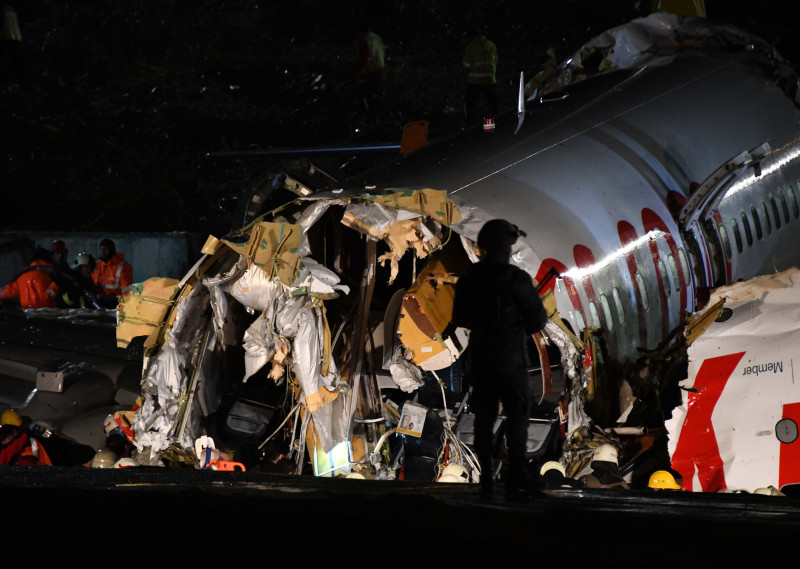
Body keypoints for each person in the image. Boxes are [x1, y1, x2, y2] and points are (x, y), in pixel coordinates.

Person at [449, 219, 549, 499]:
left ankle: (486, 480)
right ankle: (517, 471)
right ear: (505, 244)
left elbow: (460, 317)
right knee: (518, 412)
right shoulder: (516, 279)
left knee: (484, 416)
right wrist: (514, 327)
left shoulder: (470, 277)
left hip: (482, 359)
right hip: (511, 359)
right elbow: (538, 319)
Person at [462, 27, 498, 128]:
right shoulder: (491, 45)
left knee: (469, 102)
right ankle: (494, 123)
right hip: (490, 80)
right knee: (492, 103)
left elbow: (466, 65)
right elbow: (496, 61)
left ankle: (469, 124)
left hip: (475, 81)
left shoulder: (471, 46)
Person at [91, 238, 133, 306]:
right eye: (101, 249)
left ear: (111, 250)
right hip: (100, 301)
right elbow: (94, 283)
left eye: (105, 249)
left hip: (116, 302)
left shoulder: (123, 266)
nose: (102, 252)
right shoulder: (99, 265)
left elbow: (126, 290)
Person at [356, 23, 385, 115]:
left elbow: (363, 59)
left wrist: (357, 71)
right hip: (380, 69)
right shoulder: (377, 38)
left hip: (369, 72)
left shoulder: (364, 40)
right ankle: (377, 114)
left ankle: (368, 115)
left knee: (364, 96)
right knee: (375, 96)